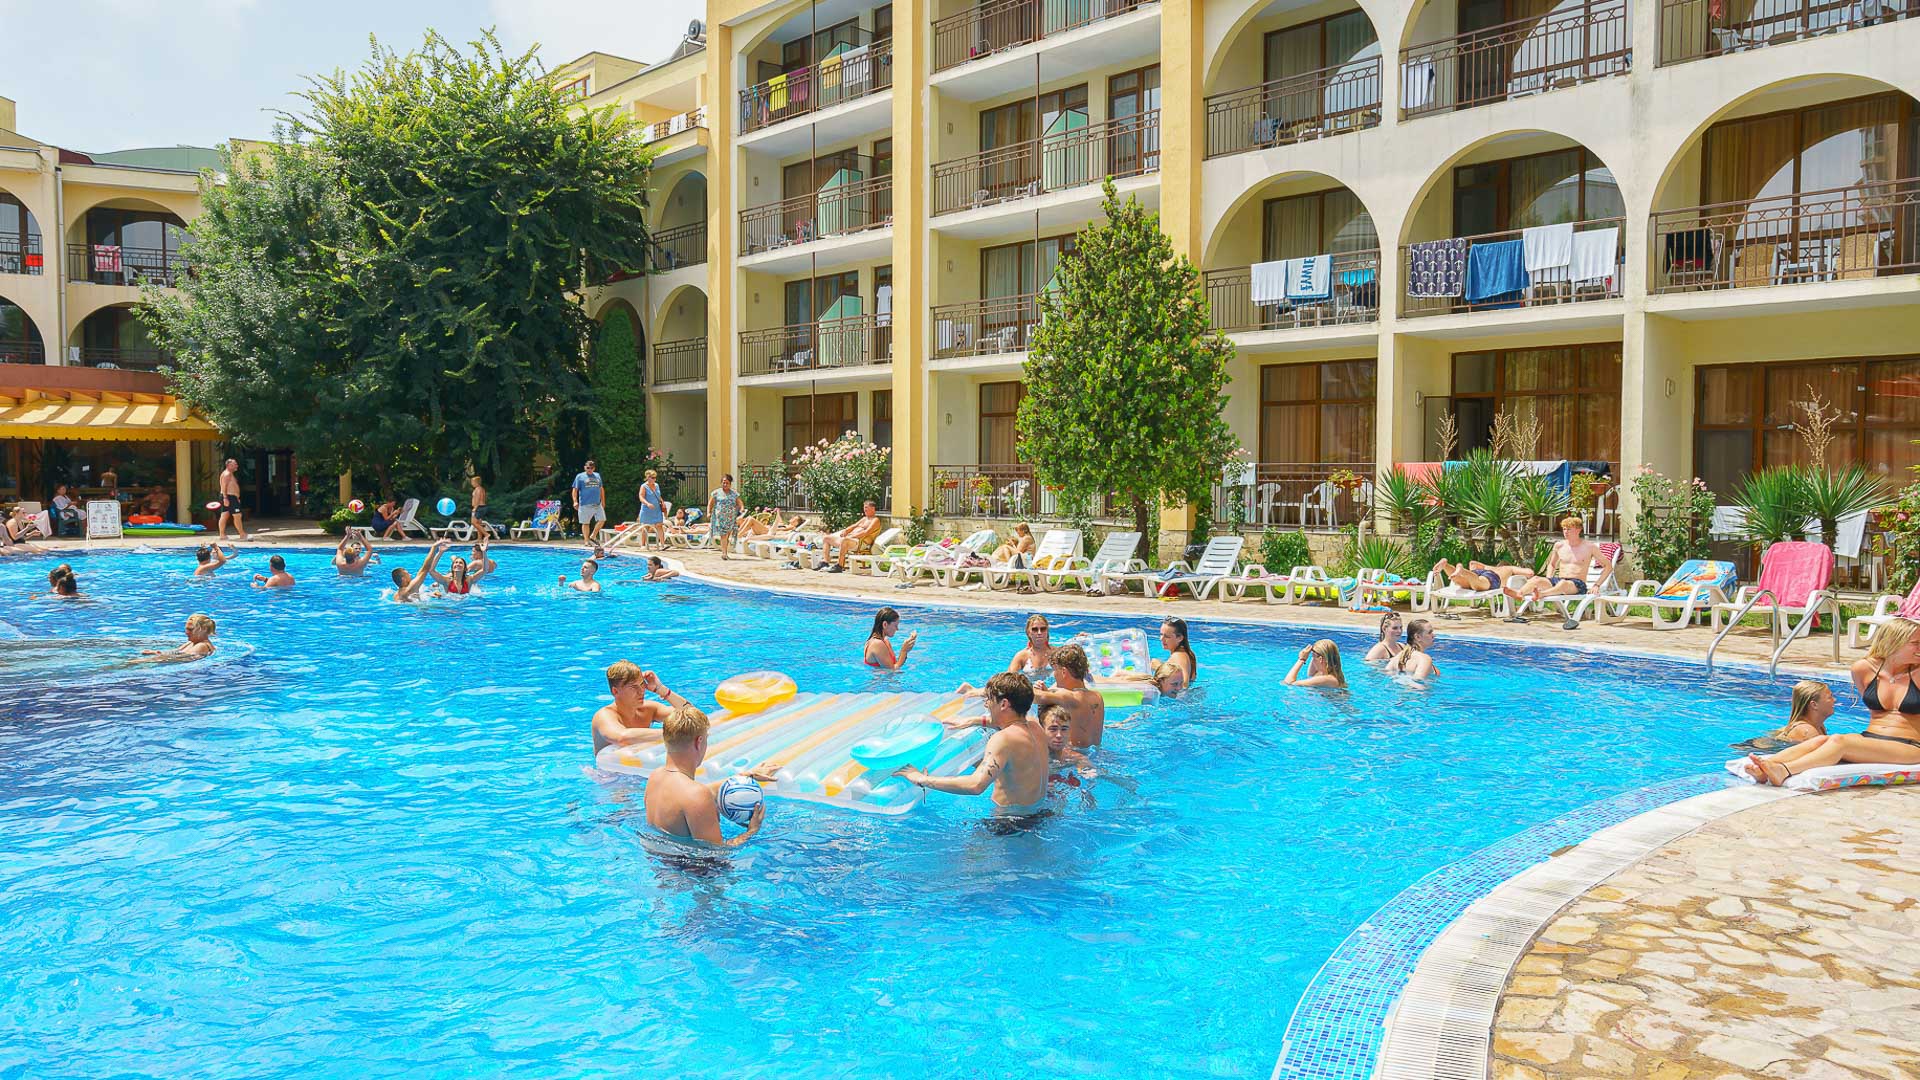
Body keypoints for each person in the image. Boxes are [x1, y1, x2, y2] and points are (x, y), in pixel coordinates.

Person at [1745, 619, 1920, 785]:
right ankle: (1763, 767)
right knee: (1819, 741)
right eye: (1915, 643)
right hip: (1870, 737)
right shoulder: (1864, 669)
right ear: (1894, 642)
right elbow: (1874, 712)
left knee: (1839, 741)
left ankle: (1784, 770)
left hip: (1909, 745)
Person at [899, 672, 1049, 814]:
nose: (986, 705)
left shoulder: (1003, 739)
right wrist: (973, 720)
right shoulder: (1036, 727)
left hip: (1009, 823)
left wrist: (922, 779)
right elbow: (1006, 723)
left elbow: (976, 785)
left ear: (1004, 704)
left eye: (989, 699)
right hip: (1040, 813)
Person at [644, 703, 769, 847]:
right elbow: (718, 852)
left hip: (656, 857)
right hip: (689, 862)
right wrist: (751, 831)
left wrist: (742, 777)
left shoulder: (655, 777)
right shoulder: (696, 795)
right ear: (699, 742)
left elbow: (687, 796)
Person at [592, 661, 697, 753]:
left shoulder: (649, 709)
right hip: (609, 769)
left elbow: (693, 716)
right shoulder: (604, 716)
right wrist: (677, 733)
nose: (641, 691)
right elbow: (622, 737)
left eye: (642, 684)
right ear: (615, 691)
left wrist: (662, 689)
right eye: (634, 687)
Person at [1508, 517, 1612, 606]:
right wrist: (1549, 578)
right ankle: (1519, 593)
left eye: (1569, 529)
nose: (1565, 532)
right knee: (1536, 579)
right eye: (1564, 529)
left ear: (1578, 530)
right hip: (1558, 581)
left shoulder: (1589, 547)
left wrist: (1597, 585)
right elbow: (1552, 564)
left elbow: (1608, 566)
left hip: (1577, 585)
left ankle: (1542, 594)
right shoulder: (1559, 545)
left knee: (1563, 584)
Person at [820, 501, 885, 574]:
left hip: (861, 543)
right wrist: (846, 530)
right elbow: (854, 525)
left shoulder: (875, 520)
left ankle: (840, 566)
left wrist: (851, 536)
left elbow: (866, 532)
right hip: (851, 540)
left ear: (873, 508)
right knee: (826, 538)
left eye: (866, 507)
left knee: (845, 540)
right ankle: (825, 562)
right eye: (864, 507)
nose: (864, 509)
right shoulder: (864, 519)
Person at [1042, 704, 1097, 789]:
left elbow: (1092, 780)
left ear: (1069, 731)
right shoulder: (1033, 758)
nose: (1059, 735)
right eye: (1053, 729)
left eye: (1064, 729)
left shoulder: (1076, 758)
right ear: (1041, 730)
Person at [135, 613, 216, 663]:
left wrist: (149, 660)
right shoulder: (191, 643)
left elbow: (184, 659)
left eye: (190, 630)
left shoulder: (202, 646)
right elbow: (176, 652)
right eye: (186, 629)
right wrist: (156, 652)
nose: (186, 632)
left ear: (203, 630)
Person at [1431, 558, 1533, 593]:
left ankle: (1446, 565)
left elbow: (1473, 563)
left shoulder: (1488, 567)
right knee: (1478, 584)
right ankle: (1462, 570)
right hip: (1492, 578)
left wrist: (1483, 568)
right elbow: (1530, 572)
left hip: (1478, 572)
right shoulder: (1507, 568)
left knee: (1460, 581)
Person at [705, 474, 742, 560]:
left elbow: (739, 502)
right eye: (723, 483)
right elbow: (710, 504)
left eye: (727, 483)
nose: (725, 484)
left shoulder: (734, 494)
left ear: (730, 484)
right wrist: (708, 512)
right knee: (723, 535)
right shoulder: (716, 493)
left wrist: (742, 508)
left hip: (731, 518)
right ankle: (724, 553)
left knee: (727, 535)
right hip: (720, 518)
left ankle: (725, 552)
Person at [572, 459, 606, 544]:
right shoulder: (580, 476)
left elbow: (601, 489)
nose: (589, 469)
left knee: (602, 520)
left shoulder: (597, 475)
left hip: (597, 504)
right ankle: (586, 541)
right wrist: (575, 501)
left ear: (594, 468)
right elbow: (575, 490)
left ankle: (593, 536)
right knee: (585, 523)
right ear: (585, 467)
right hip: (585, 504)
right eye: (588, 468)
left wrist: (603, 501)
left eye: (591, 468)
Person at [216, 458, 248, 542]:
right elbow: (224, 486)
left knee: (225, 514)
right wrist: (225, 498)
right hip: (229, 497)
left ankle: (222, 535)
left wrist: (236, 497)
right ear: (229, 465)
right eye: (235, 464)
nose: (237, 466)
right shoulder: (227, 474)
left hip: (231, 497)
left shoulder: (229, 474)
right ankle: (242, 534)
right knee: (237, 515)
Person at [637, 469, 667, 549]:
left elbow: (658, 495)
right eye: (653, 478)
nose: (654, 479)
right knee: (645, 527)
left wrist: (662, 502)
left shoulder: (656, 485)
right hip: (647, 510)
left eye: (655, 478)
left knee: (659, 526)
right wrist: (647, 503)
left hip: (657, 509)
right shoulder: (644, 486)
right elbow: (641, 497)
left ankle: (662, 544)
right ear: (648, 477)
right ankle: (643, 545)